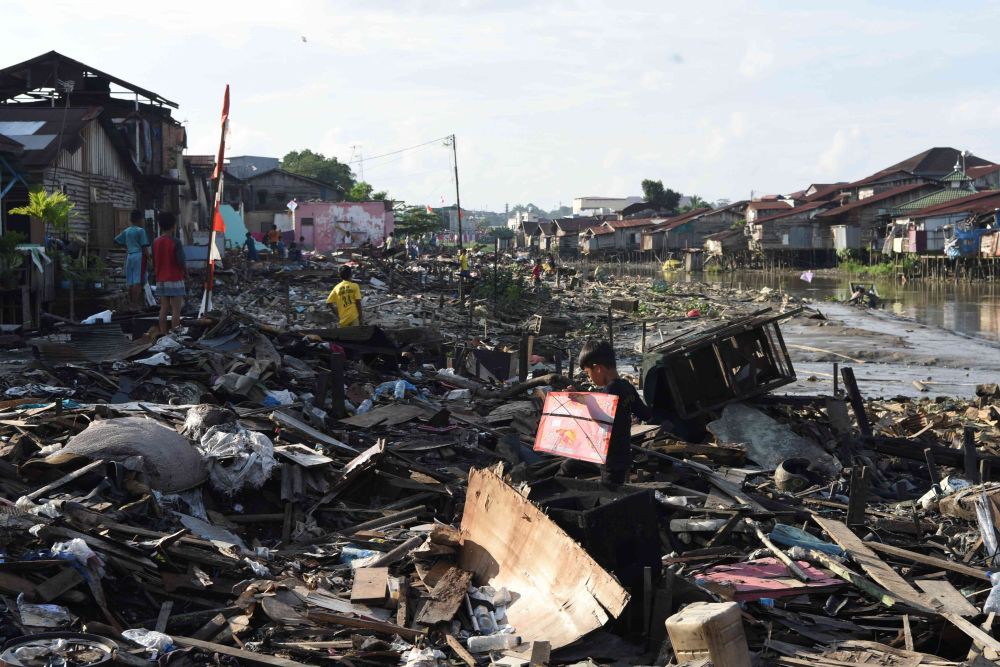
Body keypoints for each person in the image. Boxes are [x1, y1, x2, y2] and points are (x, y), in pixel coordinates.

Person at [559, 340, 650, 487]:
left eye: (588, 373)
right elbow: (645, 414)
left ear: (598, 368)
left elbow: (601, 420)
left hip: (611, 460)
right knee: (568, 466)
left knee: (609, 492)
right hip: (614, 455)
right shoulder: (627, 387)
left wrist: (582, 400)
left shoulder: (609, 391)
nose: (589, 378)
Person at [151, 212, 187, 335]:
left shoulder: (156, 242)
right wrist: (186, 273)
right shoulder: (175, 242)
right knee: (176, 309)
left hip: (161, 279)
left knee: (163, 308)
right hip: (175, 278)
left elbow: (154, 260)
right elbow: (181, 261)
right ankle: (175, 333)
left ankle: (163, 333)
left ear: (160, 226)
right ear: (173, 226)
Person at [114, 209, 150, 309]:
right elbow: (144, 247)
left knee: (130, 281)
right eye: (142, 219)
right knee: (138, 282)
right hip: (139, 256)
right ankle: (135, 304)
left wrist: (127, 246)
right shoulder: (140, 231)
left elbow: (116, 241)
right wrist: (150, 259)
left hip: (129, 256)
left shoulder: (127, 230)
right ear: (139, 220)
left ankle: (131, 304)